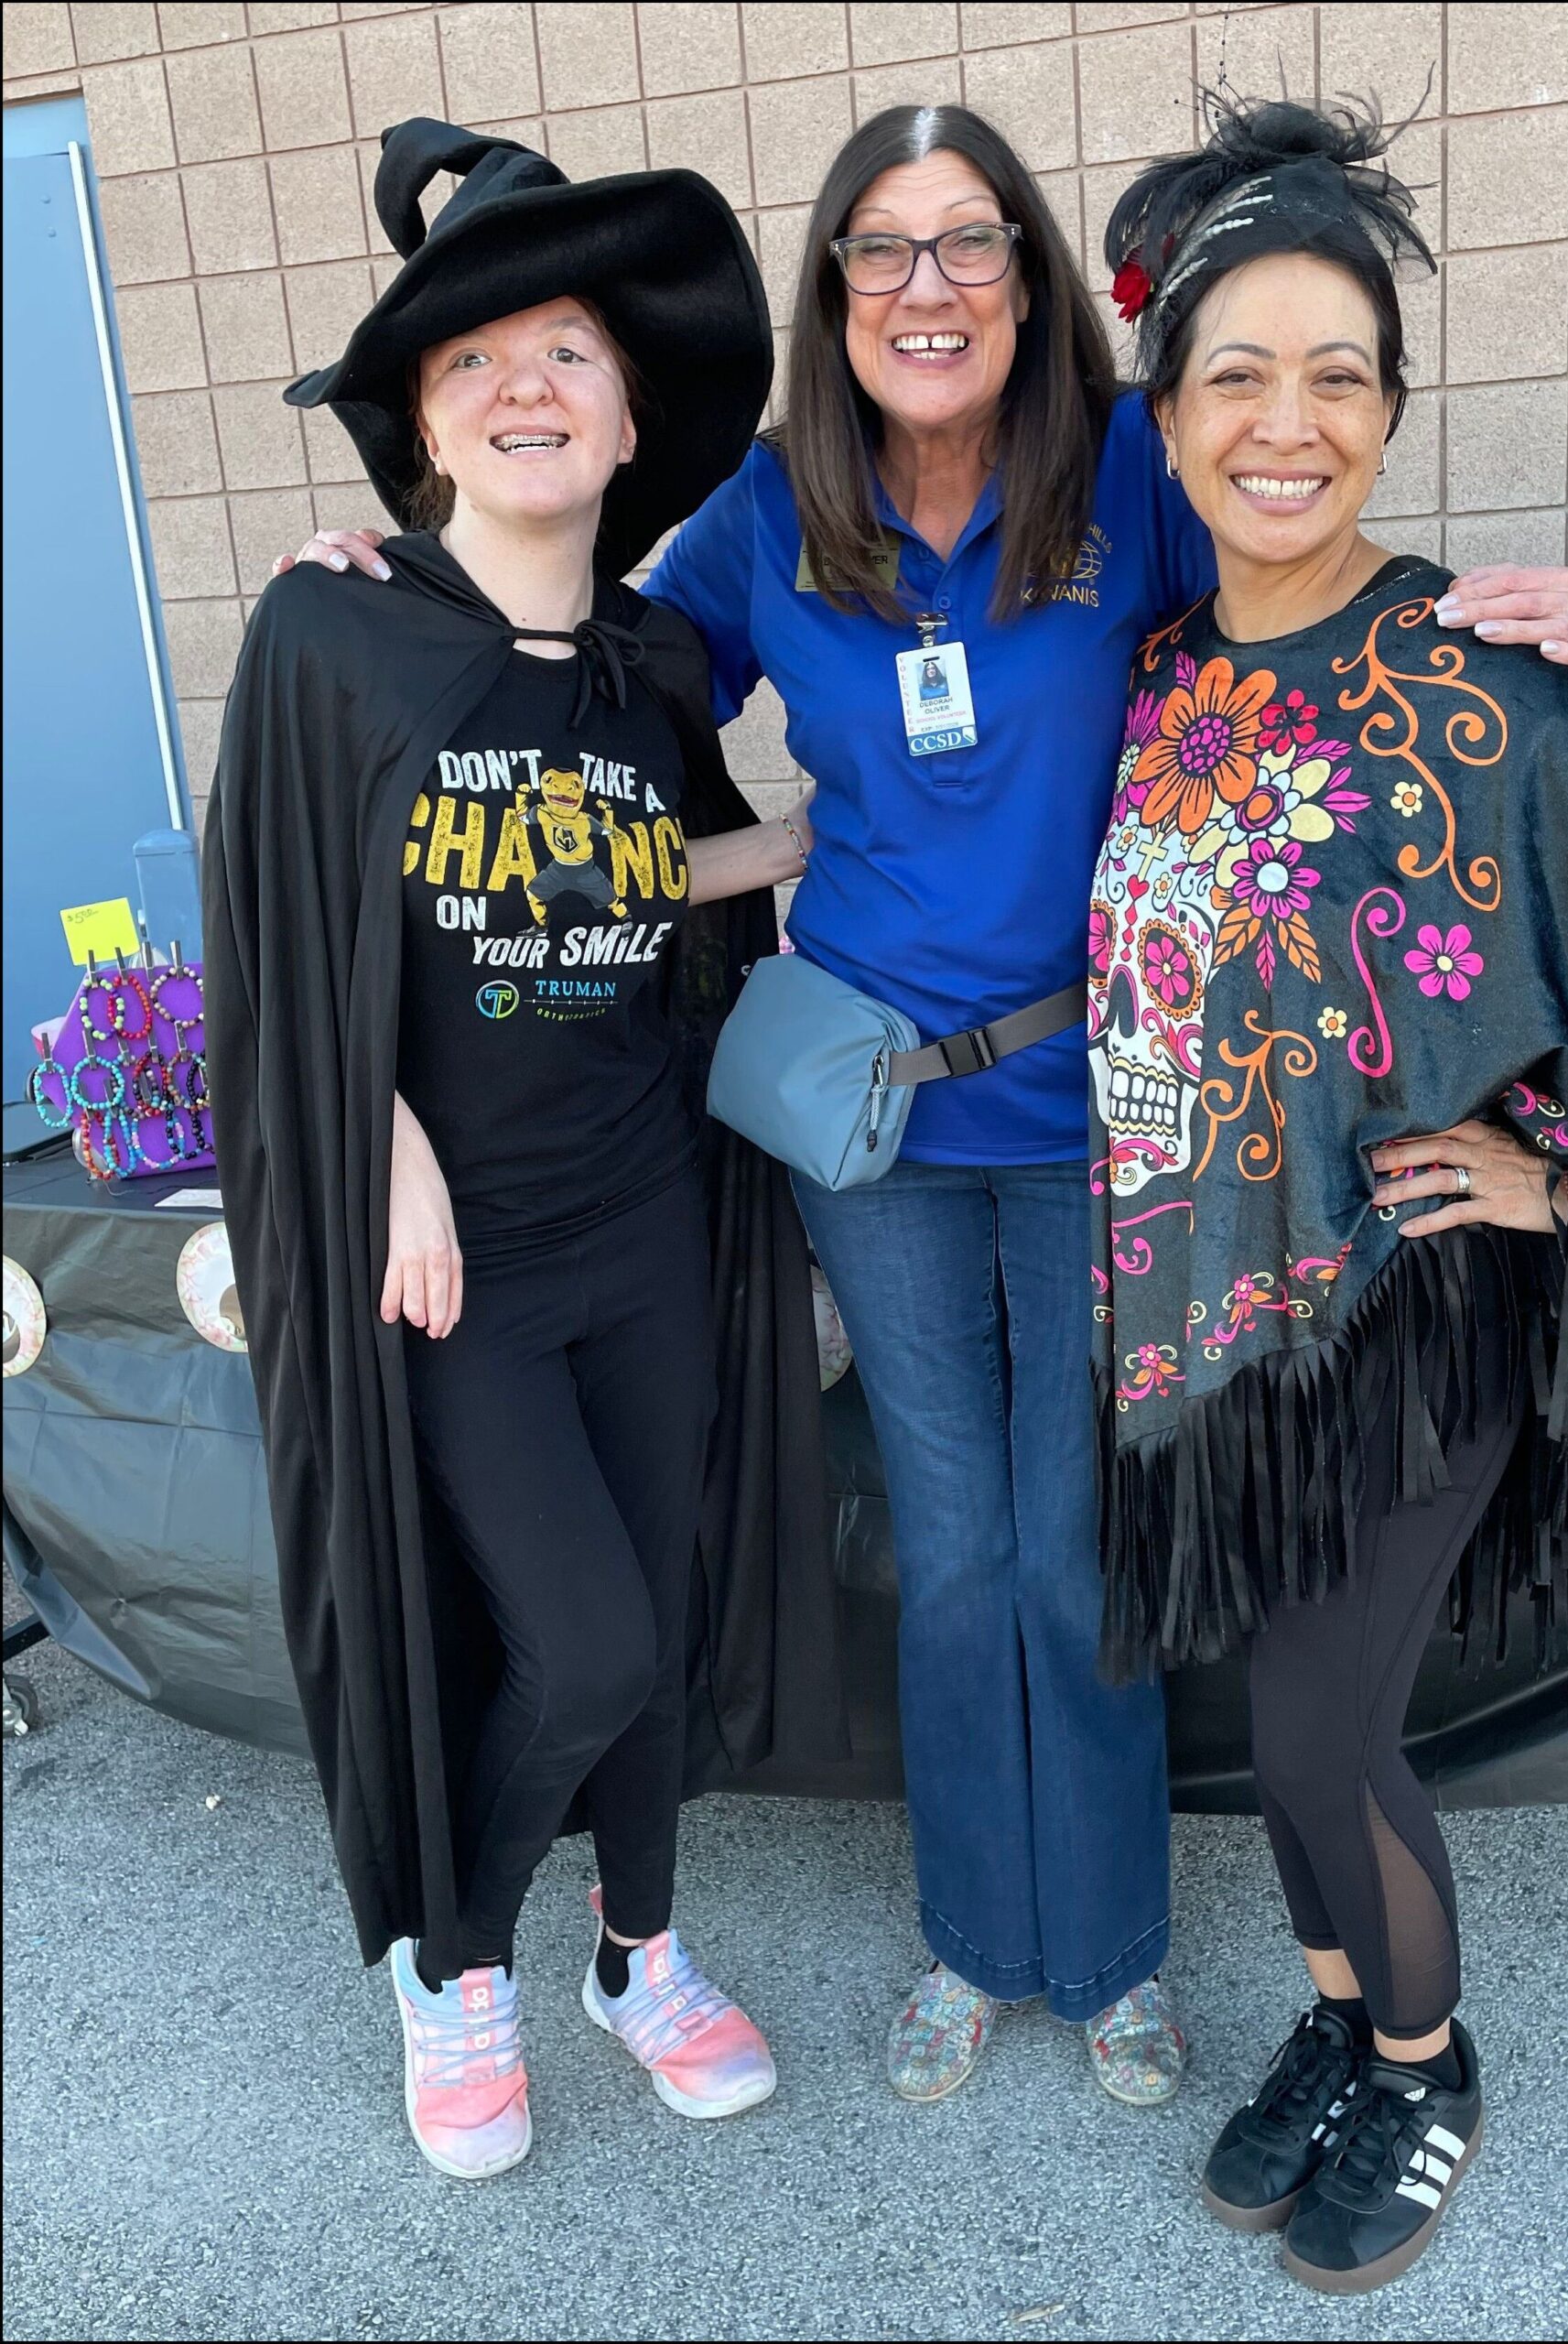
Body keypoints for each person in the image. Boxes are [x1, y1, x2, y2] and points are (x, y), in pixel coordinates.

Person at [277, 102, 1568, 2111]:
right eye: (879, 248)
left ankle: (1113, 1952)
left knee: (1074, 1552)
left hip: (1103, 1118)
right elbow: (572, 671)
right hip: (878, 1136)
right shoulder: (767, 513)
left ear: (1028, 277)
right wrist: (388, 591)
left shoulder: (1128, 475)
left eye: (967, 240)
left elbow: (1296, 585)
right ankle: (979, 1942)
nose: (926, 284)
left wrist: (1468, 635)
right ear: (832, 292)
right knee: (959, 1552)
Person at [1089, 97, 1568, 2291]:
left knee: (1326, 1728)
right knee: (1275, 1721)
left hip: (1401, 1308)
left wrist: (1565, 1180)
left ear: (1389, 411)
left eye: (1337, 373)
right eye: (1237, 373)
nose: (1287, 420)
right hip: (1217, 1309)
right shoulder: (1163, 675)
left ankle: (1427, 2062)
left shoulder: (1482, 676)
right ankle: (1342, 2020)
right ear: (1167, 419)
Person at [202, 121, 841, 2181]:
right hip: (450, 1260)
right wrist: (380, 1140)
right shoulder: (333, 635)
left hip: (646, 1218)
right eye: (471, 358)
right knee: (585, 1639)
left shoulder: (652, 661)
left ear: (629, 414)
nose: (523, 385)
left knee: (651, 1603)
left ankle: (636, 1951)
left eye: (567, 349)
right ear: (424, 427)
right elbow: (272, 939)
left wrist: (810, 839)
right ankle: (454, 1961)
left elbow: (638, 879)